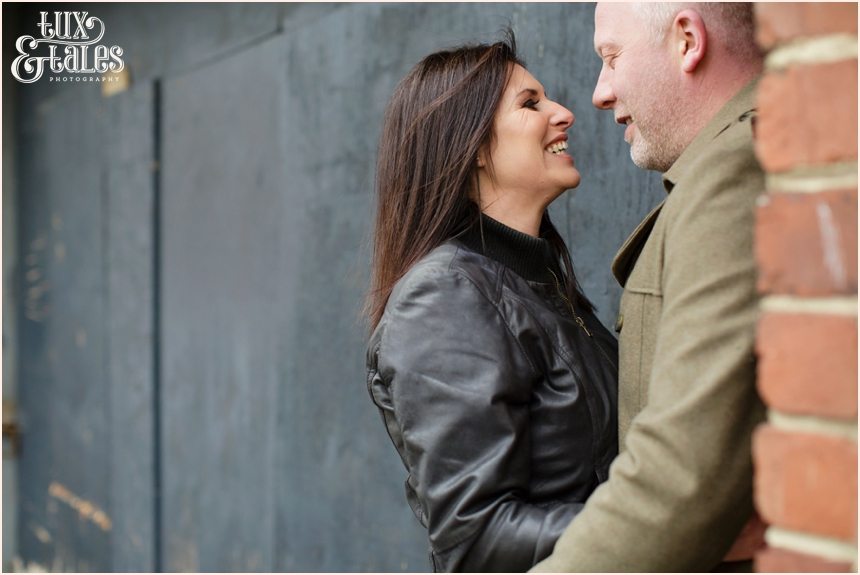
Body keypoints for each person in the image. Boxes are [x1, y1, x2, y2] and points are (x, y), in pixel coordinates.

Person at [364, 33, 618, 572]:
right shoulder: (444, 298)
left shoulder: (539, 283)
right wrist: (668, 527)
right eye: (530, 104)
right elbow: (476, 541)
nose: (565, 113)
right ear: (474, 148)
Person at [532, 3, 766, 571]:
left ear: (687, 40)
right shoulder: (735, 162)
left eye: (611, 58)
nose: (598, 94)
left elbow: (683, 474)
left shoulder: (732, 172)